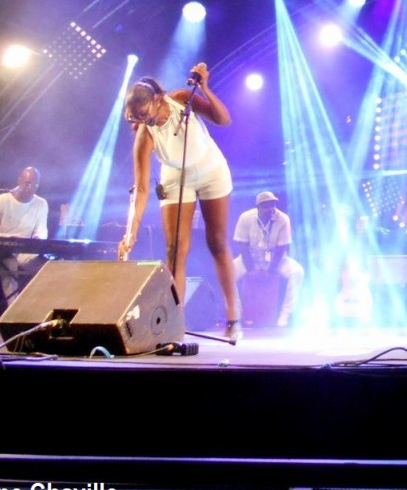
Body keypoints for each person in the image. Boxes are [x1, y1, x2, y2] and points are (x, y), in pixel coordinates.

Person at [122, 63, 241, 339]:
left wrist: (205, 88)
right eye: (136, 117)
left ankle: (233, 314)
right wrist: (131, 232)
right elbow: (141, 188)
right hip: (176, 177)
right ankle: (175, 324)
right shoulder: (145, 135)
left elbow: (223, 120)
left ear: (157, 100)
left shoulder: (181, 99)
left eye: (144, 114)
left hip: (211, 170)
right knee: (176, 249)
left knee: (217, 242)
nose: (143, 121)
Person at [232, 191, 304, 327]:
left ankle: (286, 315)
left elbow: (282, 248)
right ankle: (236, 315)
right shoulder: (246, 217)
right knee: (226, 273)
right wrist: (251, 268)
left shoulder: (283, 219)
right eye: (266, 206)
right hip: (250, 258)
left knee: (297, 271)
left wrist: (271, 270)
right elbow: (242, 245)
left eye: (273, 205)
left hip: (275, 259)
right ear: (258, 207)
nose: (271, 209)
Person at [0, 166, 48, 301]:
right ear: (19, 181)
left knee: (46, 265)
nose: (30, 187)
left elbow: (41, 231)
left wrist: (38, 239)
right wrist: (10, 239)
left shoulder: (41, 203)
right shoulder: (1, 200)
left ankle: (38, 306)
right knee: (9, 262)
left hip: (24, 251)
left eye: (35, 185)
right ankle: (13, 309)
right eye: (27, 183)